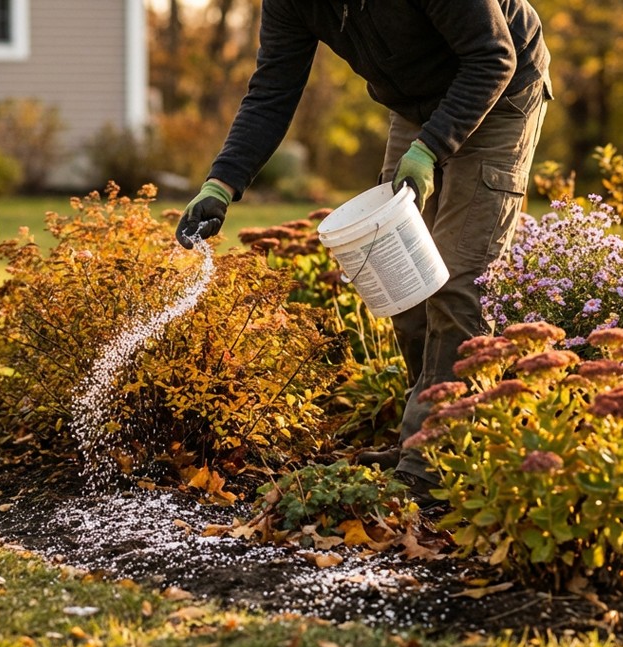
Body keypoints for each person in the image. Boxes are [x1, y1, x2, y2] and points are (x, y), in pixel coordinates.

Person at [175, 0, 551, 508]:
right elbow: (272, 91)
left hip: (501, 89)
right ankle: (424, 440)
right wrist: (222, 183)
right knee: (400, 272)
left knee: (460, 281)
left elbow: (492, 57)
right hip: (416, 106)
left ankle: (436, 462)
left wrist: (429, 149)